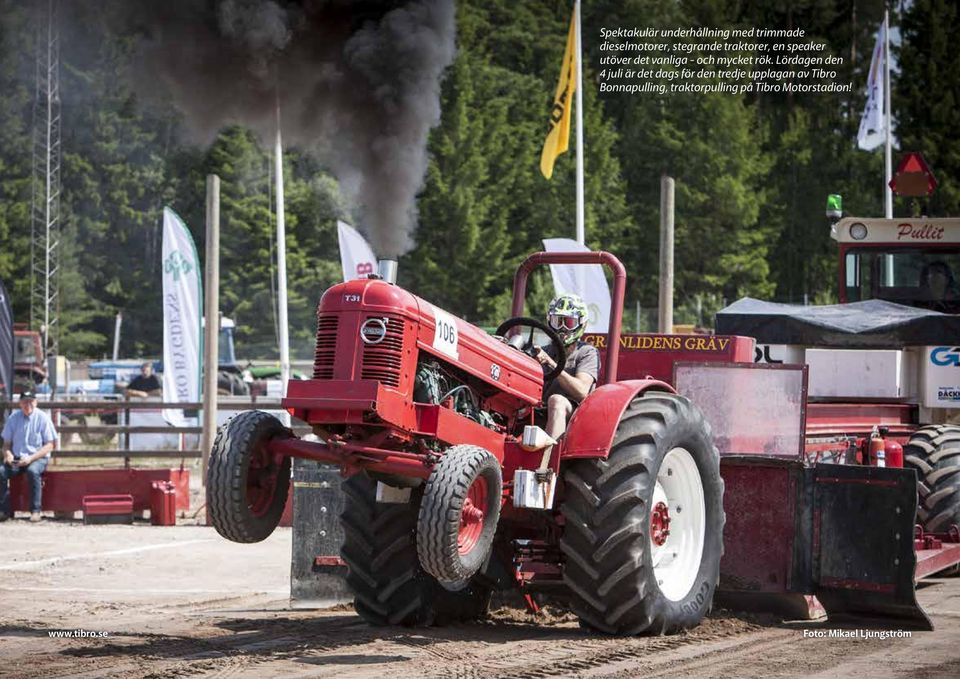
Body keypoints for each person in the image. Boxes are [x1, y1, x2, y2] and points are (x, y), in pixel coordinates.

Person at [533, 294, 600, 478]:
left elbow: (581, 392)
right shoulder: (543, 351)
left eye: (568, 322)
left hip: (575, 413)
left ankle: (546, 470)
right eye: (557, 321)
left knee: (557, 401)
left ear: (581, 324)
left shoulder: (586, 353)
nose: (562, 329)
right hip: (539, 407)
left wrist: (552, 364)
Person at [1, 391, 58, 522]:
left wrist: (31, 458)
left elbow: (50, 445)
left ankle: (35, 511)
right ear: (20, 403)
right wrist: (8, 454)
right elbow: (6, 444)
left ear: (36, 402)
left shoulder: (43, 417)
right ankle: (4, 511)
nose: (28, 404)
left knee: (32, 471)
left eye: (31, 401)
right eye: (25, 401)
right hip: (17, 458)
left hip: (37, 458)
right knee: (1, 472)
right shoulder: (13, 418)